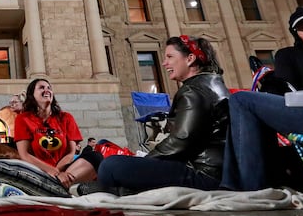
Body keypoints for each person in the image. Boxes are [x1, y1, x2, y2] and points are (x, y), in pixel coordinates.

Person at [75, 35, 231, 197]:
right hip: (215, 172)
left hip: (202, 176)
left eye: (170, 57)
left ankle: (116, 191)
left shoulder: (193, 91)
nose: (165, 63)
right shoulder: (214, 83)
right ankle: (120, 190)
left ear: (190, 59)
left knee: (110, 165)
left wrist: (147, 161)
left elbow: (182, 140)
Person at [221, 6, 303, 192]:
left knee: (242, 100)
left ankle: (249, 187)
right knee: (246, 104)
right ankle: (255, 182)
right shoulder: (288, 55)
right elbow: (285, 92)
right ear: (296, 33)